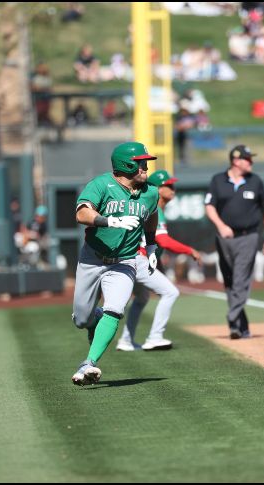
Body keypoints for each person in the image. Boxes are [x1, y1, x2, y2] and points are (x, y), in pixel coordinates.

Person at [70, 141, 160, 386]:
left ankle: (89, 363)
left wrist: (151, 244)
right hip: (93, 259)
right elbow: (81, 213)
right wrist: (108, 221)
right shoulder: (101, 185)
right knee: (81, 319)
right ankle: (93, 318)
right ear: (125, 164)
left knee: (115, 310)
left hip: (125, 261)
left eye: (145, 162)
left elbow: (152, 215)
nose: (145, 167)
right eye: (141, 163)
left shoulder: (151, 192)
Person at [116, 169, 202, 352]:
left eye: (173, 185)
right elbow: (163, 241)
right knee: (171, 292)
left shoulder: (155, 208)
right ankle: (155, 337)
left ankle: (126, 340)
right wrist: (189, 250)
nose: (173, 189)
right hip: (138, 259)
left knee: (141, 298)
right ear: (157, 188)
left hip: (137, 258)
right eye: (168, 185)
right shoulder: (154, 206)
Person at [204, 145, 264, 339]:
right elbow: (209, 206)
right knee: (229, 282)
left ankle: (232, 315)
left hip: (248, 236)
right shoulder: (218, 180)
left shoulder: (255, 181)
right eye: (247, 159)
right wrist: (221, 226)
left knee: (241, 279)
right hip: (224, 238)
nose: (251, 162)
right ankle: (239, 326)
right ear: (236, 161)